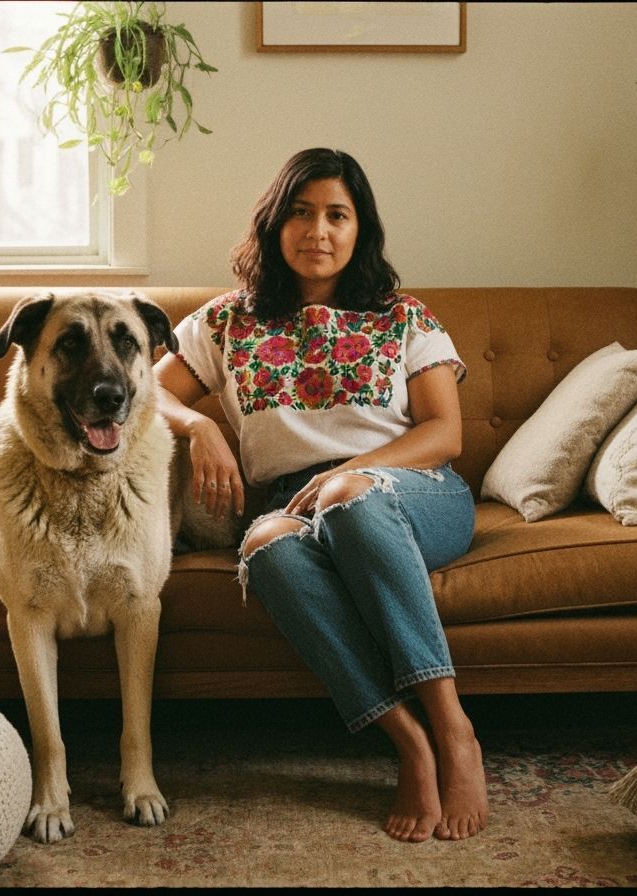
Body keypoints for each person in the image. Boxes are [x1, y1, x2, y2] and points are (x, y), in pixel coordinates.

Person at [154, 148, 488, 843]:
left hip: (413, 491)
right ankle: (409, 743)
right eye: (301, 214)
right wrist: (197, 427)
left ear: (360, 228)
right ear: (275, 225)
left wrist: (356, 472)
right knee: (266, 549)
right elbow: (145, 391)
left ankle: (453, 730)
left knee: (352, 498)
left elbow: (444, 433)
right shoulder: (225, 322)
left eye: (338, 214)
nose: (319, 230)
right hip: (289, 504)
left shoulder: (403, 318)